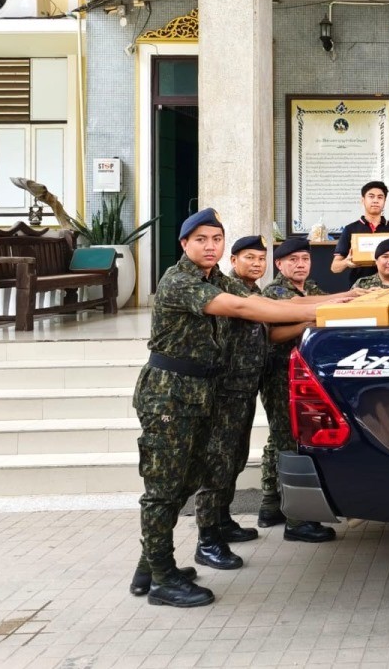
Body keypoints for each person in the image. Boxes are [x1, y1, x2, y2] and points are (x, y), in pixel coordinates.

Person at [132, 208, 327, 609]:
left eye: (216, 239)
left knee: (187, 480)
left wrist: (341, 299)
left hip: (201, 392)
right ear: (184, 243)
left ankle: (151, 566)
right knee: (164, 487)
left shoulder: (216, 279)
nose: (210, 246)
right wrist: (323, 311)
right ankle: (162, 579)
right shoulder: (180, 281)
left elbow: (262, 302)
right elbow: (247, 310)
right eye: (201, 239)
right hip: (169, 393)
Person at [260, 236, 359, 542]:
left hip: (306, 376)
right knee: (290, 442)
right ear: (279, 264)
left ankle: (271, 504)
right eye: (293, 260)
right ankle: (298, 521)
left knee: (279, 439)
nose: (300, 265)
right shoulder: (274, 292)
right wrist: (309, 322)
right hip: (281, 376)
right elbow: (272, 335)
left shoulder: (312, 289)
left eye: (304, 259)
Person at [189, 234, 266, 573]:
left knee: (234, 459)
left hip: (244, 389)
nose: (257, 263)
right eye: (249, 257)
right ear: (233, 261)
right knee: (216, 464)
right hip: (223, 391)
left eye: (261, 258)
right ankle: (207, 541)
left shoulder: (252, 291)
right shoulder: (224, 290)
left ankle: (222, 519)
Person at [331, 181, 389, 284]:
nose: (375, 200)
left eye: (380, 197)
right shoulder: (350, 229)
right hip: (359, 287)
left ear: (384, 201)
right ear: (363, 200)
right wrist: (347, 262)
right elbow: (334, 267)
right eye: (371, 196)